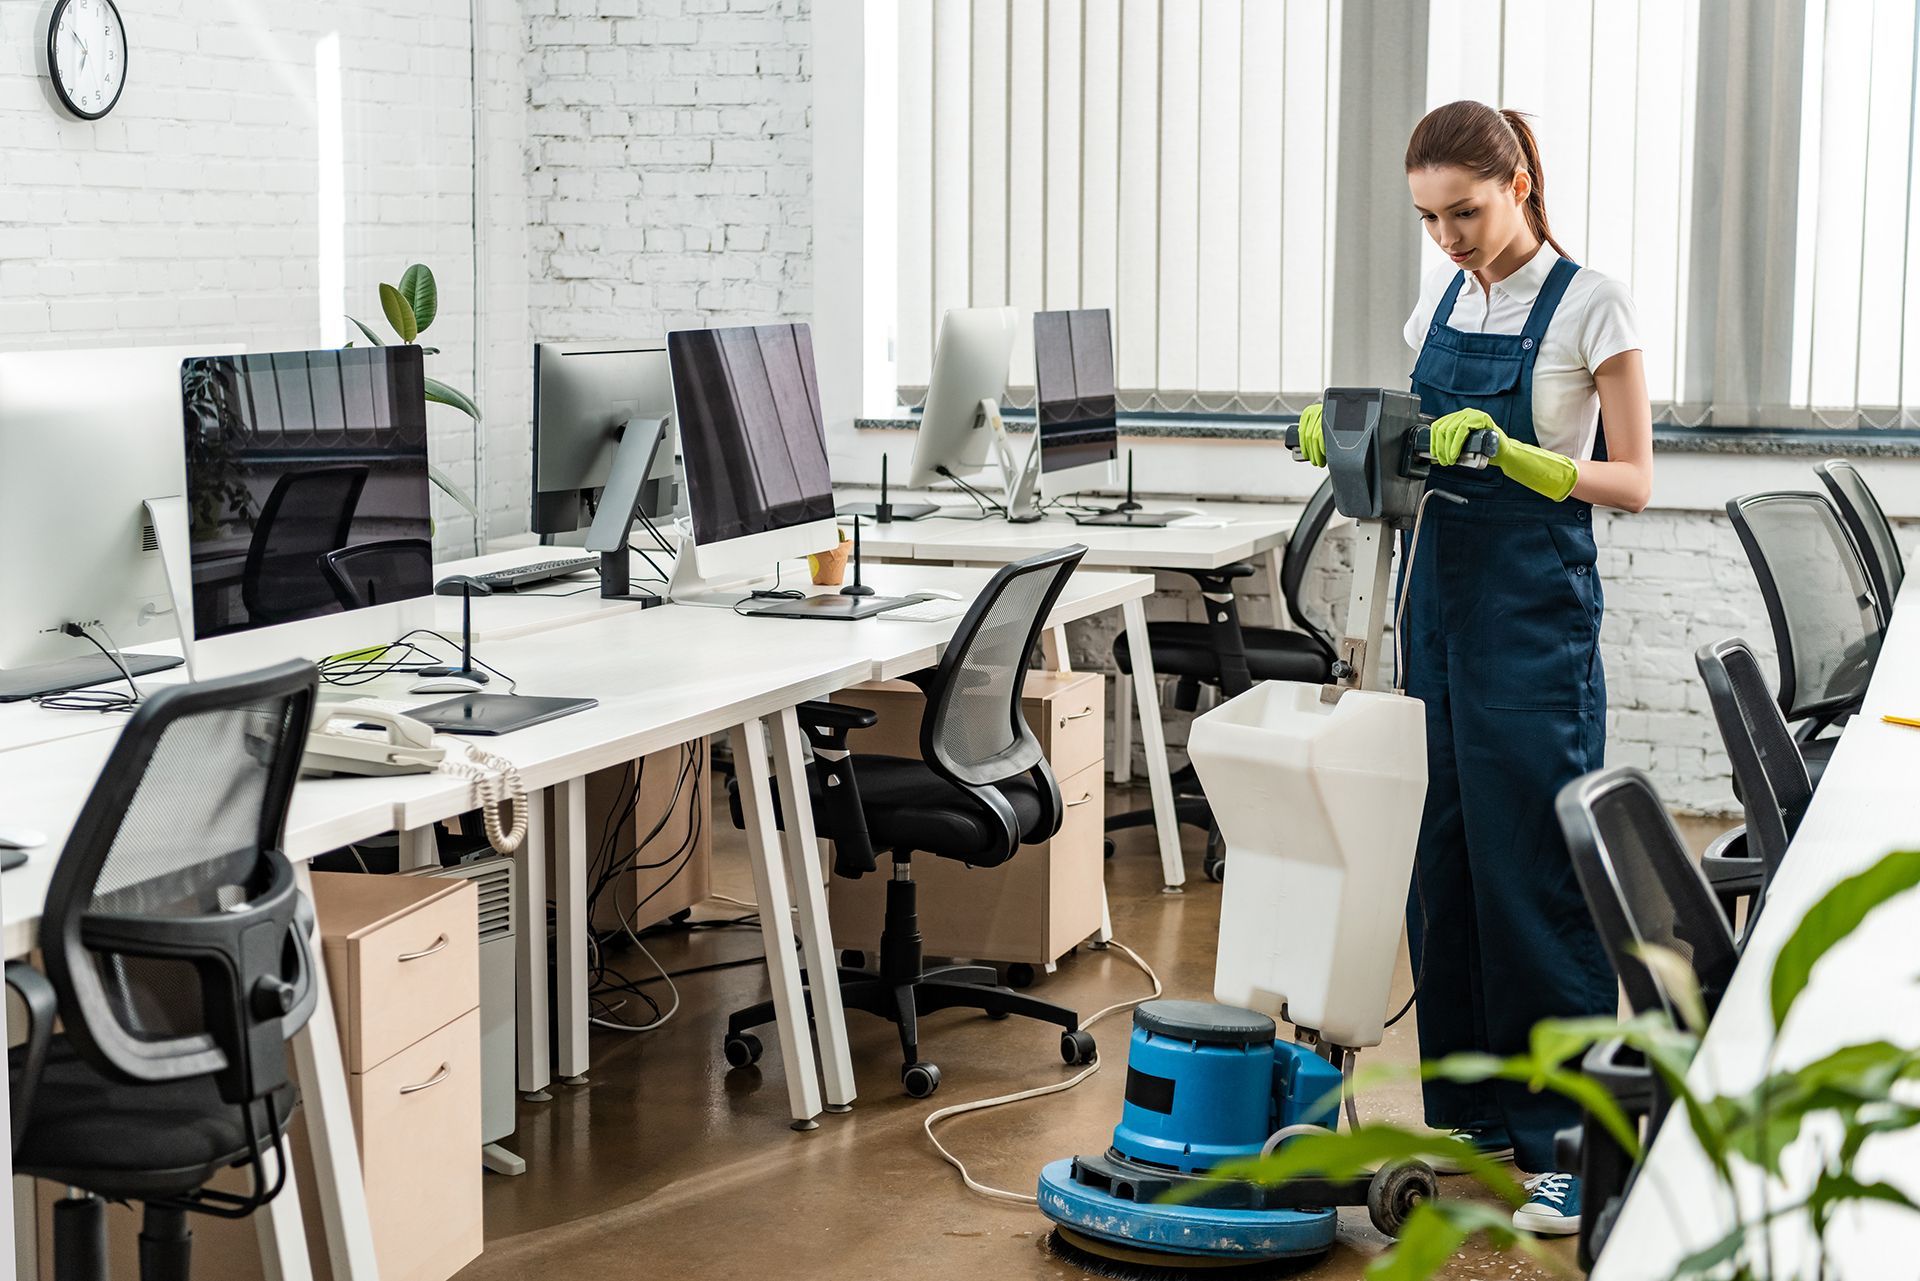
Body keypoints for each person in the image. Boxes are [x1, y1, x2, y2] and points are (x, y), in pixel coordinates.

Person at [1298, 99, 1653, 1236]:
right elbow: (1415, 439)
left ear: (1520, 187)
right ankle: (1466, 1110)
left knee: (1532, 868)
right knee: (1440, 857)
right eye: (1428, 217)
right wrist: (1350, 432)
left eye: (1466, 211)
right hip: (1436, 606)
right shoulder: (1441, 300)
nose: (1448, 236)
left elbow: (1637, 480)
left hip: (1534, 616)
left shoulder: (1593, 304)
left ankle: (1566, 1143)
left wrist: (1533, 463)